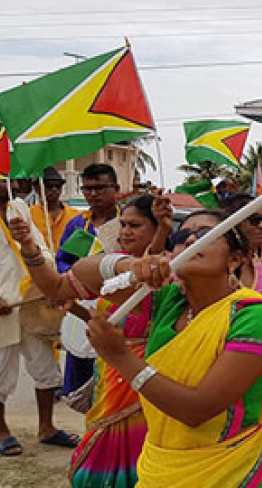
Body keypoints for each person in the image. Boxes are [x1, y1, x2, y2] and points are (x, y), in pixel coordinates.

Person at [42, 210, 262, 486]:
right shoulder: (168, 301)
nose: (191, 240)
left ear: (234, 259)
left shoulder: (256, 316)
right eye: (183, 236)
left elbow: (197, 410)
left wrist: (120, 357)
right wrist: (128, 266)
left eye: (206, 235)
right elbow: (84, 274)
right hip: (159, 467)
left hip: (231, 470)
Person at [12, 195, 171, 485]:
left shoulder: (171, 275)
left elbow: (151, 270)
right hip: (111, 376)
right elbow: (55, 287)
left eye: (135, 225)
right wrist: (29, 247)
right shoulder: (105, 268)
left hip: (153, 374)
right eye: (123, 224)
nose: (125, 231)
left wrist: (160, 236)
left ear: (157, 228)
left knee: (144, 455)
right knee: (101, 455)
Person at [0, 184, 75, 457]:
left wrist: (30, 247)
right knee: (0, 372)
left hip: (32, 301)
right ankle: (2, 432)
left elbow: (43, 250)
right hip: (3, 306)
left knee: (45, 368)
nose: (8, 183)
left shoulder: (18, 209)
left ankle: (47, 427)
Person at [57, 163, 121, 396]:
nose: (93, 194)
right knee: (82, 371)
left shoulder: (127, 221)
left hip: (119, 306)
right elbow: (62, 260)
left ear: (116, 188)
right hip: (82, 305)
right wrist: (73, 277)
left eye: (101, 188)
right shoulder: (77, 224)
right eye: (88, 189)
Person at [29, 167, 81, 251]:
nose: (54, 189)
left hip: (67, 262)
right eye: (49, 186)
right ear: (37, 188)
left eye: (58, 186)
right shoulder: (29, 214)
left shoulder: (76, 215)